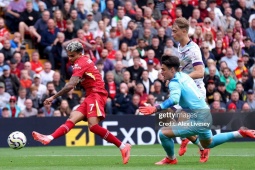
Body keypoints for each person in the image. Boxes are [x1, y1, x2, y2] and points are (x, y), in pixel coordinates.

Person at [139, 55, 255, 165]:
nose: (161, 72)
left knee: (163, 134)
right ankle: (239, 133)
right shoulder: (184, 76)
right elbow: (181, 97)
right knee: (208, 143)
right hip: (205, 113)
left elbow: (174, 99)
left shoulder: (174, 82)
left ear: (172, 70)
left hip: (198, 117)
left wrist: (156, 108)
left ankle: (171, 159)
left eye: (163, 69)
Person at [32, 41, 131, 164]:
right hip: (90, 94)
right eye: (68, 55)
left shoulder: (81, 63)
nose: (70, 58)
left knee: (93, 126)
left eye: (72, 55)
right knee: (72, 118)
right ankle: (49, 138)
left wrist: (53, 97)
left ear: (80, 53)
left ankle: (123, 147)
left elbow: (71, 85)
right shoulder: (82, 60)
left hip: (96, 93)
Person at [171, 17, 207, 161]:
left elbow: (200, 72)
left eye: (175, 31)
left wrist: (183, 79)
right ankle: (197, 144)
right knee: (174, 118)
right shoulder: (180, 47)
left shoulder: (193, 49)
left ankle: (197, 144)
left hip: (195, 91)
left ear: (184, 31)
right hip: (184, 90)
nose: (172, 34)